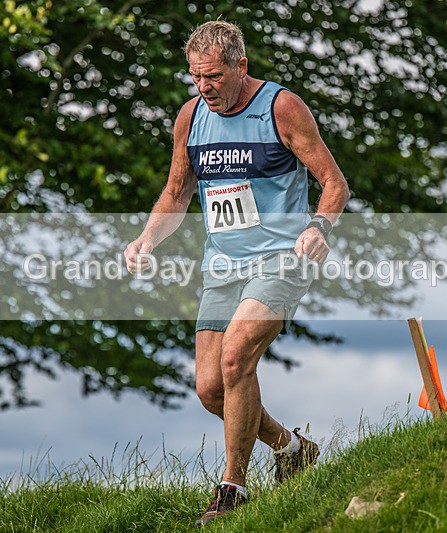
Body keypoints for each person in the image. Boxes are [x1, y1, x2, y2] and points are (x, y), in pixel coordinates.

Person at [123, 21, 349, 526]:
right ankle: (292, 448)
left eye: (214, 77)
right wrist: (146, 239)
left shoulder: (280, 108)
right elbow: (177, 192)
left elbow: (334, 183)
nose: (205, 88)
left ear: (241, 67)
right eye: (196, 78)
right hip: (222, 265)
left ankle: (233, 489)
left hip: (280, 260)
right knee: (210, 389)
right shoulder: (190, 117)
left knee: (235, 356)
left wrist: (319, 228)